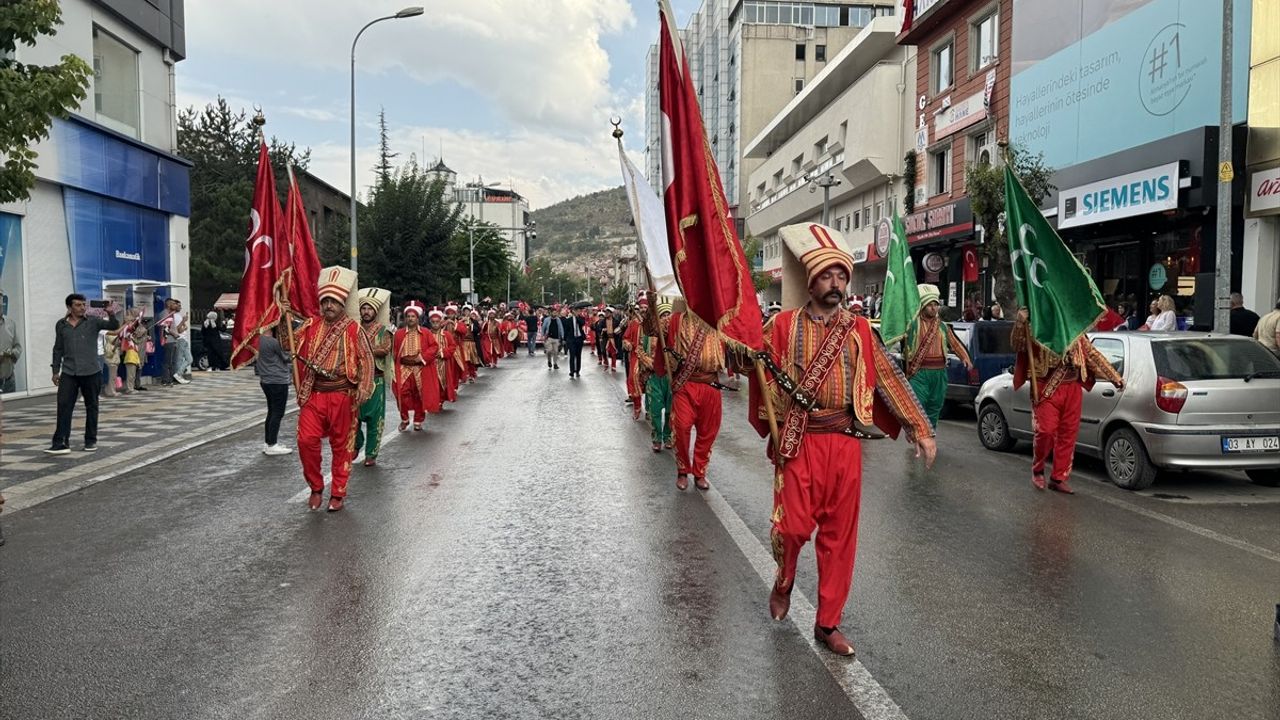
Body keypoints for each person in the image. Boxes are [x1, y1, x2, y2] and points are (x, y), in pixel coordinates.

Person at [749, 222, 936, 657]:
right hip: (799, 442)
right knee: (793, 528)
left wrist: (920, 428)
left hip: (845, 443)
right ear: (810, 280)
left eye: (841, 276)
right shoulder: (781, 326)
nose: (835, 285)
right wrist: (742, 352)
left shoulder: (859, 331)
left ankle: (828, 622)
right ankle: (785, 579)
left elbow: (887, 379)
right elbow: (755, 368)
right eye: (826, 276)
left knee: (839, 537)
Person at [1012, 307, 1124, 493]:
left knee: (1068, 435)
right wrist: (1020, 323)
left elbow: (1092, 355)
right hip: (1046, 387)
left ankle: (1058, 477)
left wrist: (1114, 377)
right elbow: (1018, 346)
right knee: (1046, 431)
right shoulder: (1036, 327)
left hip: (1072, 387)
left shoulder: (1076, 332)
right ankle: (1038, 469)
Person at [291, 266, 374, 512]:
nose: (329, 305)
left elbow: (367, 359)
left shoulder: (353, 328)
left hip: (342, 395)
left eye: (334, 301)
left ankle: (337, 492)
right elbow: (289, 344)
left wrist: (365, 385)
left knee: (342, 446)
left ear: (342, 304)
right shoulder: (309, 325)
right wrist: (283, 318)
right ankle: (316, 487)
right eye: (325, 301)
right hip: (314, 394)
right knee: (306, 440)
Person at [47, 294, 121, 454]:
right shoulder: (61, 325)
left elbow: (114, 326)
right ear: (69, 307)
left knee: (92, 406)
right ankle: (60, 442)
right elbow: (58, 348)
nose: (82, 307)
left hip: (91, 371)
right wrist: (55, 371)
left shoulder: (93, 321)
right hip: (68, 372)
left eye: (83, 304)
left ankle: (90, 441)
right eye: (78, 305)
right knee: (64, 406)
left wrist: (110, 312)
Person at [665, 306, 725, 491]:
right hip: (686, 383)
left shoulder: (720, 320)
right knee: (681, 428)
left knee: (708, 432)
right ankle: (682, 470)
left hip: (710, 384)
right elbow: (652, 329)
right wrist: (651, 307)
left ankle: (700, 472)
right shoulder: (675, 319)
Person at [901, 284, 972, 428]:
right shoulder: (912, 324)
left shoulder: (943, 326)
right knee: (918, 407)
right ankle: (918, 437)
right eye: (929, 305)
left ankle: (930, 435)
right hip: (919, 373)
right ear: (922, 306)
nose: (934, 308)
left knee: (935, 407)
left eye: (936, 305)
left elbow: (955, 344)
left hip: (939, 373)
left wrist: (966, 358)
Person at [355, 288, 392, 467]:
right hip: (355, 380)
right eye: (364, 308)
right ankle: (355, 444)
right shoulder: (354, 329)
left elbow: (385, 348)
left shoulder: (383, 331)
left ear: (375, 311)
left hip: (375, 380)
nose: (366, 311)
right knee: (352, 417)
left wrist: (363, 350)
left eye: (370, 309)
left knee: (374, 419)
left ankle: (371, 453)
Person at [392, 302, 442, 432]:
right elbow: (394, 352)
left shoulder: (425, 332)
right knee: (401, 394)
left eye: (413, 316)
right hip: (404, 368)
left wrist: (423, 357)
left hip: (420, 368)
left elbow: (434, 347)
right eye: (408, 316)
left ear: (418, 318)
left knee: (420, 395)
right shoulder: (399, 334)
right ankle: (404, 419)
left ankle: (418, 420)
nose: (410, 319)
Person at [635, 301, 674, 452]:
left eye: (667, 315)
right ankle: (657, 438)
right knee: (656, 410)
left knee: (671, 410)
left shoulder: (675, 333)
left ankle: (668, 436)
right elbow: (639, 349)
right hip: (654, 376)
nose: (665, 318)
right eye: (662, 315)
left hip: (670, 377)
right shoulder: (647, 332)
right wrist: (648, 362)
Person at [255, 321, 292, 455]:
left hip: (265, 380)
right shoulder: (273, 342)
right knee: (277, 412)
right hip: (278, 380)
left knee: (271, 412)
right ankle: (272, 444)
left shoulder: (257, 340)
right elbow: (286, 358)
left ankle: (268, 442)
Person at [622, 304, 645, 419]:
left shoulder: (656, 323)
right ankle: (637, 406)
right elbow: (626, 338)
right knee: (634, 380)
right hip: (636, 356)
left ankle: (651, 410)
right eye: (641, 308)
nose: (643, 310)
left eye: (646, 308)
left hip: (653, 358)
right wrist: (628, 344)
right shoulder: (634, 323)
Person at [0, 291, 22, 394]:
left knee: (11, 410)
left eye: (0, 298)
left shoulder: (10, 323)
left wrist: (11, 352)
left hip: (9, 381)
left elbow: (18, 347)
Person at [563, 306, 586, 377]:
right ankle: (572, 371)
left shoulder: (581, 318)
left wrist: (577, 317)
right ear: (573, 311)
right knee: (572, 355)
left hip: (579, 339)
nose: (578, 312)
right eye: (577, 311)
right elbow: (566, 330)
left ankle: (578, 371)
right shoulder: (568, 320)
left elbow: (582, 323)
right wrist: (564, 340)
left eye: (579, 311)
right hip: (571, 339)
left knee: (578, 355)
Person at [542, 306, 564, 370]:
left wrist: (562, 336)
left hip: (556, 338)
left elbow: (561, 328)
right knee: (549, 351)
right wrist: (543, 335)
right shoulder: (547, 320)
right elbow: (543, 327)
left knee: (556, 351)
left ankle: (555, 364)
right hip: (549, 338)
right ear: (551, 313)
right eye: (554, 313)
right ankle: (549, 361)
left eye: (556, 313)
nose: (555, 314)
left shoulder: (558, 320)